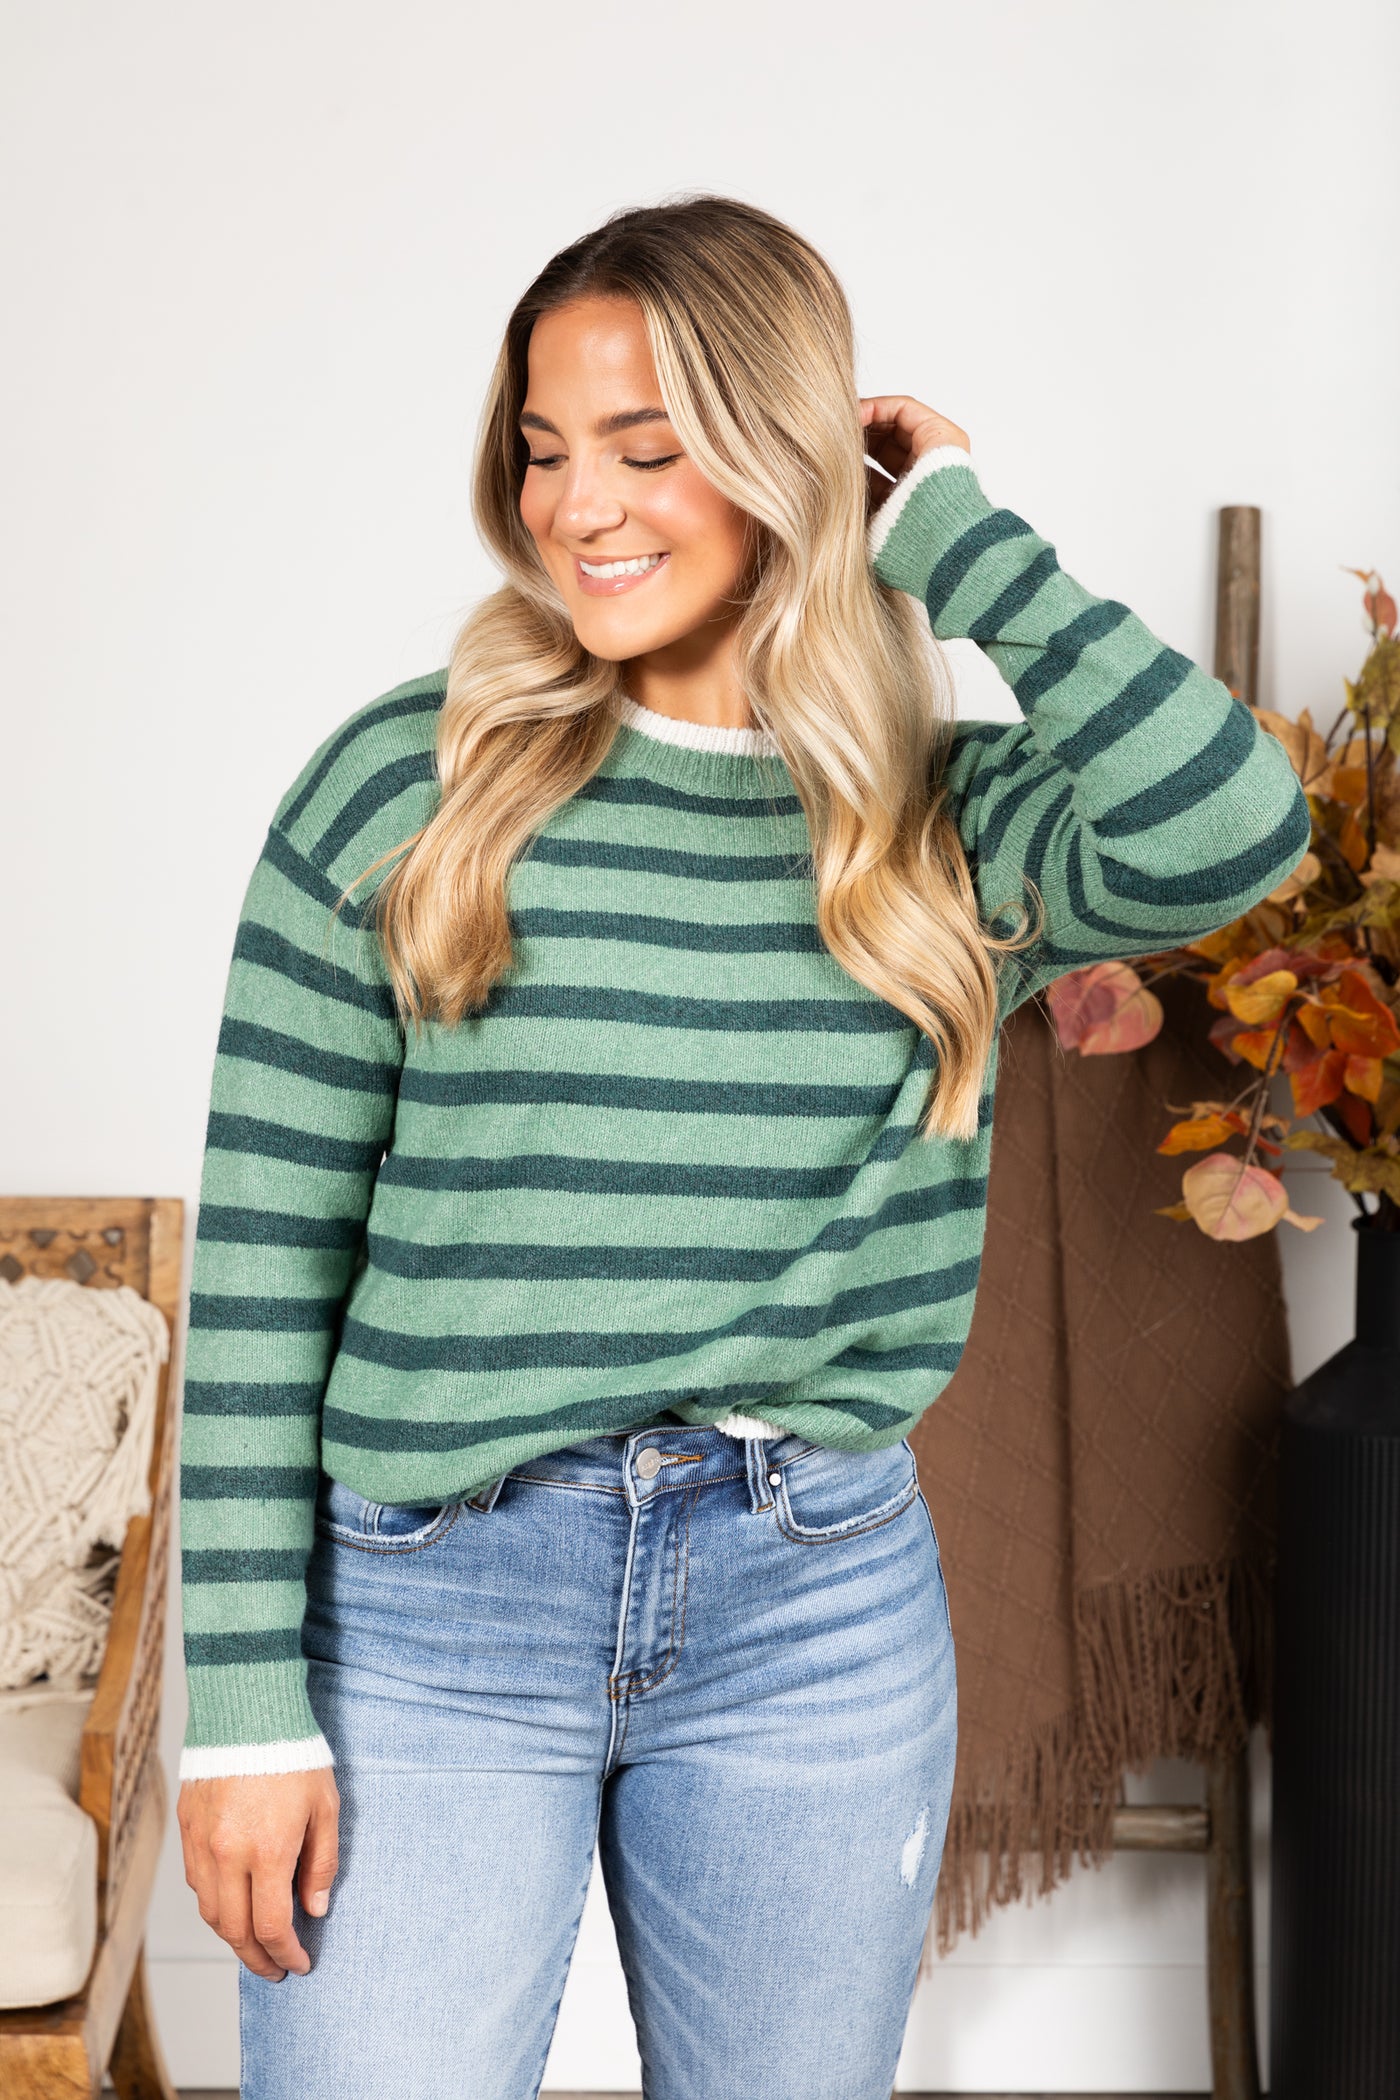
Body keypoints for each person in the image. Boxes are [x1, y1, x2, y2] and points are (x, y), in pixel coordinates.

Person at [175, 193, 1311, 2100]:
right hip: (436, 1606)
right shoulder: (407, 784)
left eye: (650, 446)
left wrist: (953, 529)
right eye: (546, 450)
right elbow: (262, 1271)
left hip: (814, 1599)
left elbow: (1237, 822)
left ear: (791, 461)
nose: (579, 508)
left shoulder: (945, 827)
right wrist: (238, 1714)